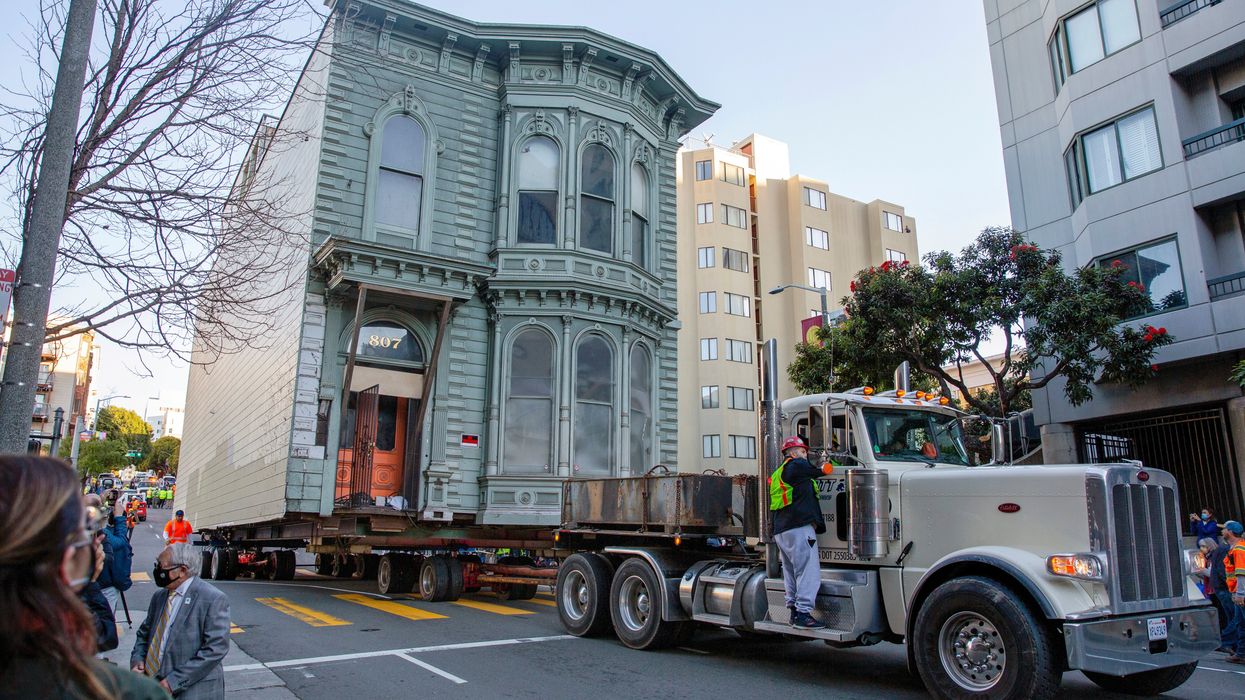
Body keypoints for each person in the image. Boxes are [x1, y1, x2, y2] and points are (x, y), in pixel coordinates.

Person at [0, 456, 166, 700]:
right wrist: (86, 583)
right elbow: (104, 634)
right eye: (84, 520)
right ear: (69, 561)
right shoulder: (127, 692)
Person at [131, 543, 231, 698]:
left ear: (182, 570)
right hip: (153, 686)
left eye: (161, 566)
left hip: (192, 690)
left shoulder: (212, 598)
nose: (158, 570)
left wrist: (173, 682)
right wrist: (137, 659)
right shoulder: (159, 597)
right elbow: (144, 633)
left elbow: (215, 648)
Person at [770, 436, 833, 630]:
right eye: (803, 451)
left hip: (783, 529)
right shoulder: (797, 465)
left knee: (791, 572)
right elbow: (823, 470)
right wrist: (826, 464)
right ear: (793, 452)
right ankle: (804, 613)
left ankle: (794, 611)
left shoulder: (781, 471)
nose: (806, 455)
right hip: (798, 527)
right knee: (808, 571)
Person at [1222, 520, 1245, 664]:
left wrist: (1240, 594)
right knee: (1240, 624)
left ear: (1230, 532)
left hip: (1242, 594)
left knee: (1242, 623)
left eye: (1224, 529)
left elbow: (1241, 573)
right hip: (1238, 592)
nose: (1222, 531)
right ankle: (1241, 653)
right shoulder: (1235, 548)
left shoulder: (1238, 550)